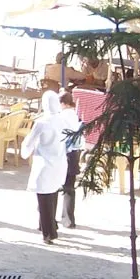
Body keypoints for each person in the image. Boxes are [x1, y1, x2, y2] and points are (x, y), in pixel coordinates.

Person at [20, 91, 68, 244]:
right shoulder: (62, 120)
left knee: (43, 198)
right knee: (53, 195)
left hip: (44, 164)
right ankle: (48, 225)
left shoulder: (42, 122)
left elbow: (29, 141)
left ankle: (49, 233)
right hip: (59, 163)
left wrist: (24, 153)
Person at [59, 92, 83, 228]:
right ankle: (69, 219)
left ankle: (52, 218)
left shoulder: (62, 116)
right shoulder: (75, 114)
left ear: (62, 103)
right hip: (75, 152)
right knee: (70, 187)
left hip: (64, 153)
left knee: (59, 186)